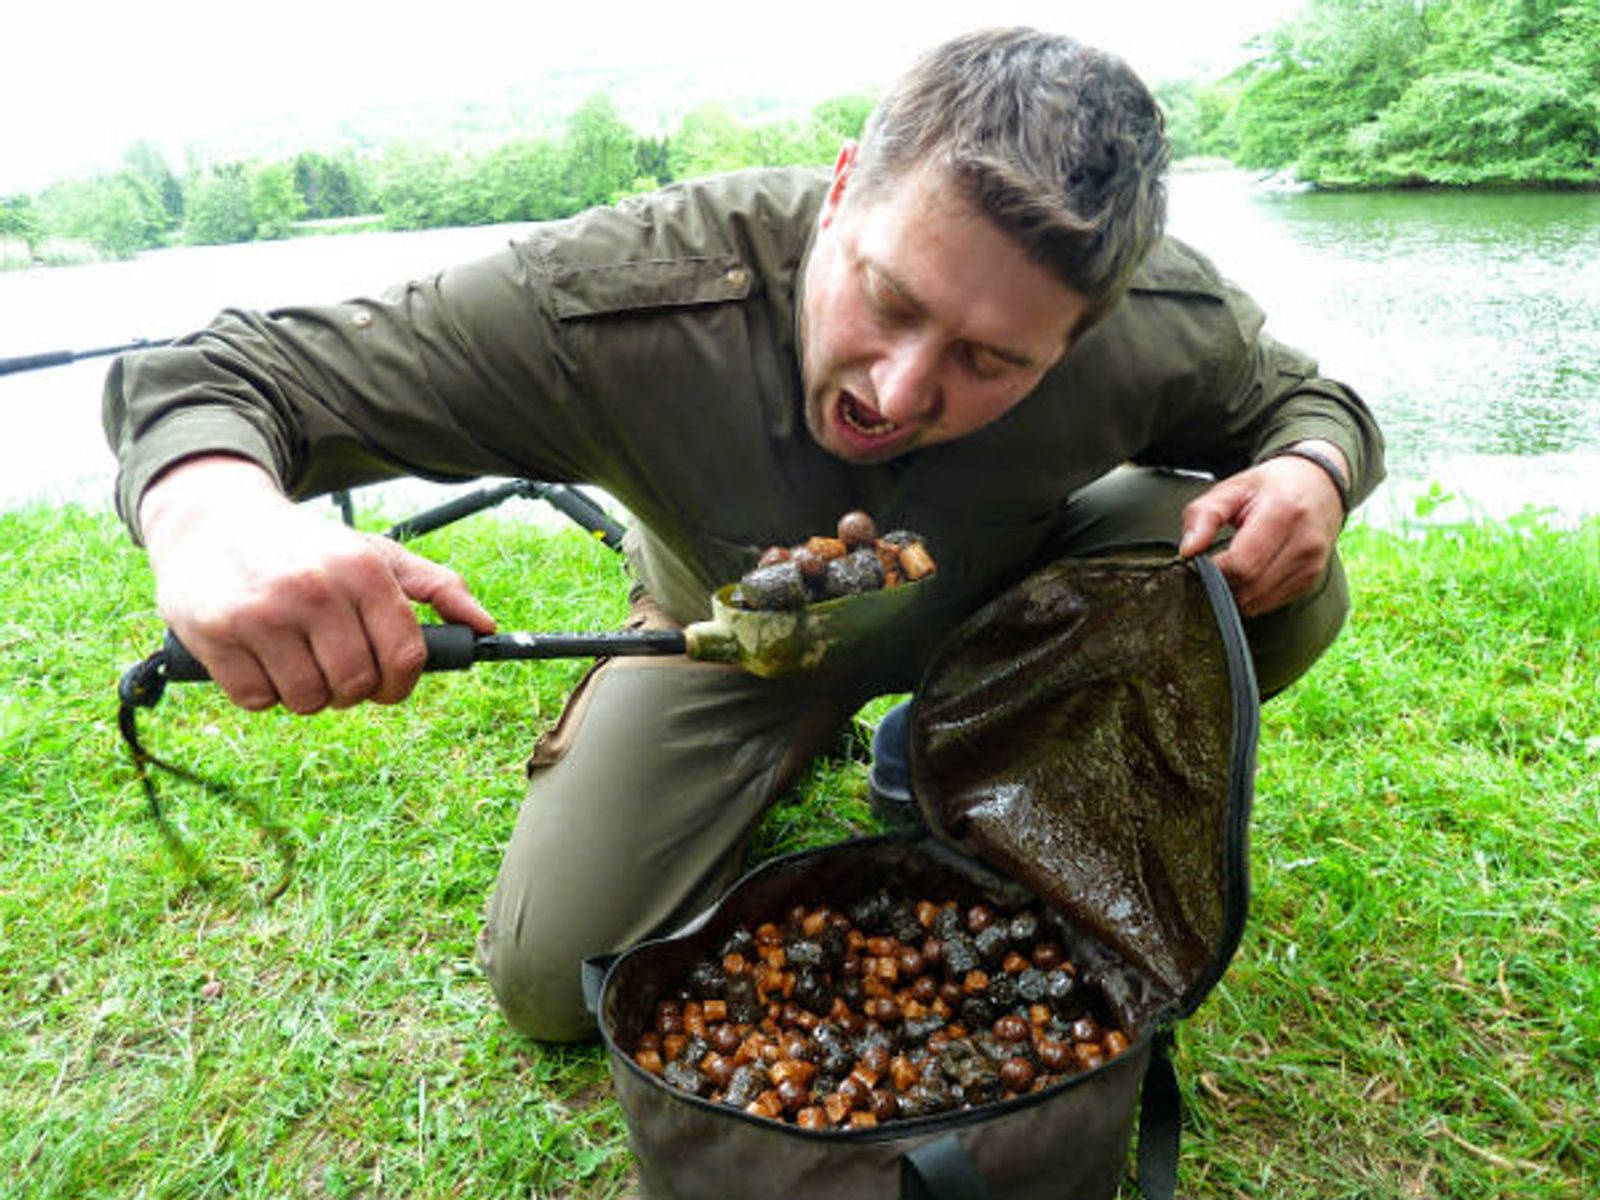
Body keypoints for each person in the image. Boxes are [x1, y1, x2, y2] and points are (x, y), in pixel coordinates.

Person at [103, 27, 1383, 1041]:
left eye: (992, 360)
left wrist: (1313, 472)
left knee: (1273, 583)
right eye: (887, 298)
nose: (900, 389)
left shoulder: (1159, 317)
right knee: (559, 978)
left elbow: (1307, 406)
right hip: (726, 642)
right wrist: (215, 514)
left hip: (997, 610)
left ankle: (958, 742)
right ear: (843, 188)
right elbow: (220, 375)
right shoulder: (618, 304)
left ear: (1087, 329)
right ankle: (805, 735)